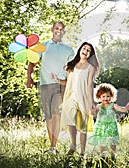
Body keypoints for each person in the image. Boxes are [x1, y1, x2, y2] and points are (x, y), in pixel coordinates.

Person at [26, 21, 74, 154]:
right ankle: (51, 146)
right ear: (52, 29)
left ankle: (53, 147)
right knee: (48, 117)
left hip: (60, 86)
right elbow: (33, 62)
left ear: (64, 32)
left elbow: (72, 70)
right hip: (45, 85)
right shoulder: (43, 46)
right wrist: (29, 77)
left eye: (61, 29)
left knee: (56, 115)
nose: (59, 31)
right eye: (57, 28)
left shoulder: (69, 50)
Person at [59, 42, 100, 156]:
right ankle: (73, 145)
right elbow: (67, 82)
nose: (85, 51)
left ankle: (82, 152)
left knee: (82, 125)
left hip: (83, 97)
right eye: (84, 48)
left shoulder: (90, 68)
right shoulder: (71, 65)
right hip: (71, 97)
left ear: (90, 55)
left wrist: (91, 103)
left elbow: (89, 85)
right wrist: (57, 80)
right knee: (70, 120)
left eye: (88, 51)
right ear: (80, 49)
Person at [88, 83, 129, 160]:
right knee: (102, 142)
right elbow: (93, 114)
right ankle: (103, 157)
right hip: (101, 127)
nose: (106, 98)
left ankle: (113, 156)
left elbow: (121, 109)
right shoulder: (98, 106)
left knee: (112, 142)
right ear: (99, 97)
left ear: (111, 96)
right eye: (103, 96)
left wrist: (127, 108)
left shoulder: (112, 105)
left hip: (111, 127)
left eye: (108, 96)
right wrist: (92, 110)